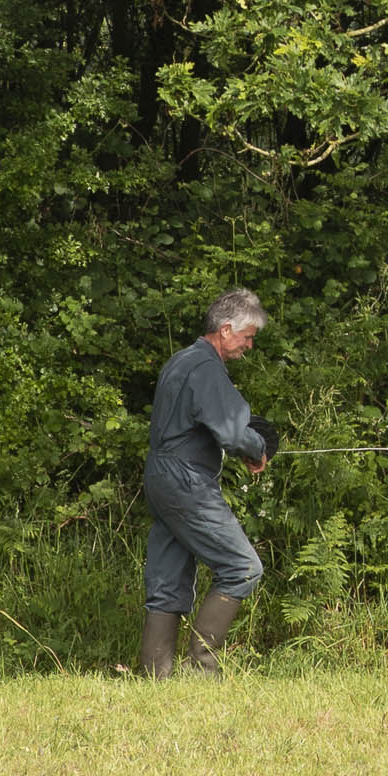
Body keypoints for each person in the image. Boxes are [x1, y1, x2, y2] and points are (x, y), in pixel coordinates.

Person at [143, 289, 275, 677]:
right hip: (186, 480)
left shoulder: (180, 360)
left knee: (168, 576)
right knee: (242, 566)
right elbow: (235, 434)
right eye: (248, 336)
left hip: (160, 476)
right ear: (226, 328)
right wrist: (258, 449)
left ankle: (156, 676)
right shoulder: (206, 368)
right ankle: (201, 671)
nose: (249, 345)